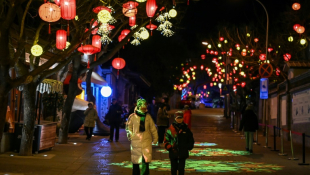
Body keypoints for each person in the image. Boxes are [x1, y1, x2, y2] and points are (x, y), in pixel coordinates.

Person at [126, 98, 158, 175]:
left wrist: (155, 138)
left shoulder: (148, 117)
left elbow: (153, 128)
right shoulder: (132, 117)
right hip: (136, 142)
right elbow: (128, 127)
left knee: (145, 162)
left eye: (145, 105)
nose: (144, 107)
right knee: (136, 163)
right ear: (139, 106)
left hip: (146, 142)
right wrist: (131, 135)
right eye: (143, 105)